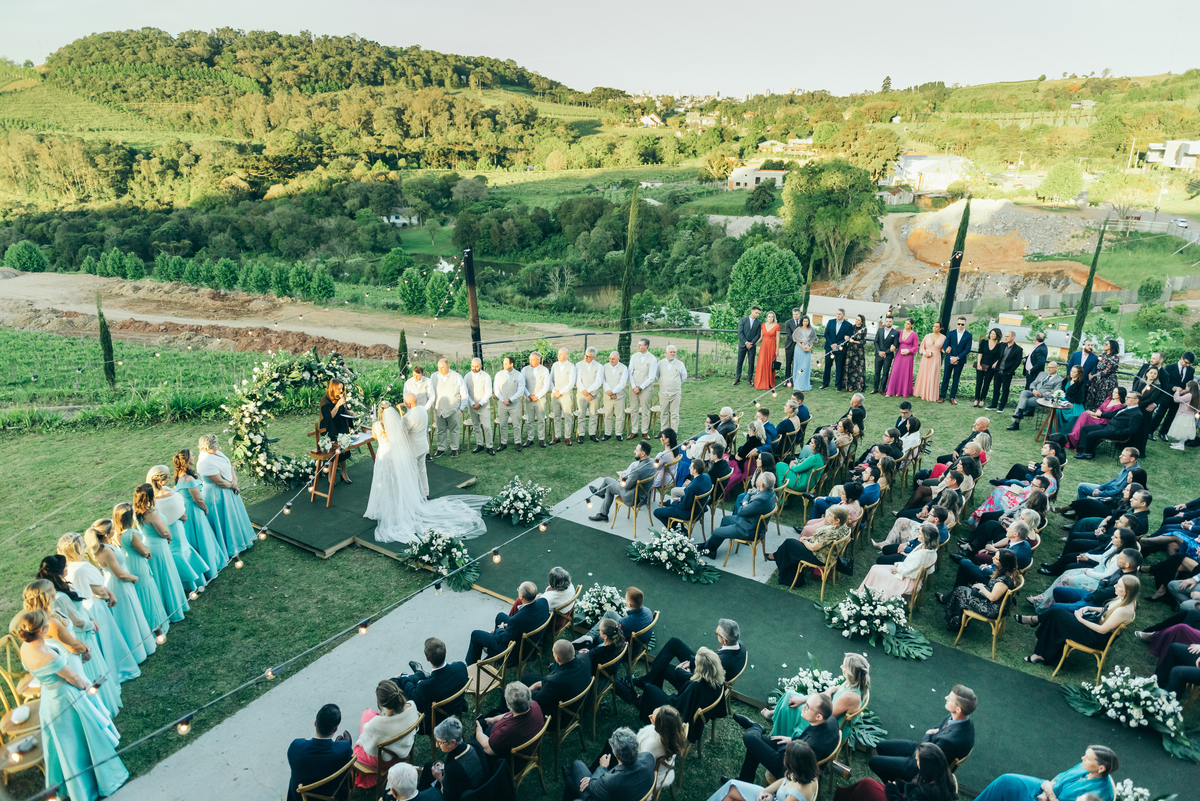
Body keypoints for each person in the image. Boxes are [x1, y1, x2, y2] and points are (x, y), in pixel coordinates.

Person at [11, 609, 129, 801]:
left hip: (49, 700)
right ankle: (98, 781)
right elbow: (74, 678)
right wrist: (88, 686)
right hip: (66, 699)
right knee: (84, 739)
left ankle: (76, 787)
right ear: (41, 630)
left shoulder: (25, 648)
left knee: (66, 746)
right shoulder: (47, 656)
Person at [366, 402, 486, 544]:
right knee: (396, 482)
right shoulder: (397, 424)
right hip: (394, 455)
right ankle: (401, 507)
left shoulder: (376, 426)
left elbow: (375, 437)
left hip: (383, 456)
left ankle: (383, 509)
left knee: (383, 481)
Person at [25, 572, 123, 718]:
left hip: (74, 651)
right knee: (86, 688)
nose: (55, 592)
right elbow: (72, 645)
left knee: (92, 682)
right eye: (52, 590)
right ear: (48, 596)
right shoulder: (50, 622)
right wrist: (86, 649)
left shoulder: (47, 615)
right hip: (71, 659)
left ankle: (103, 712)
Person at [58, 533, 140, 683]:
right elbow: (99, 591)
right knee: (108, 637)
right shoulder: (82, 567)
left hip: (82, 607)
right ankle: (119, 670)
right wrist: (109, 595)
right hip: (94, 606)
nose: (84, 546)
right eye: (82, 544)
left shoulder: (67, 568)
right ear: (76, 550)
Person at [868, 686, 976, 783]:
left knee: (874, 762)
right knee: (881, 746)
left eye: (950, 698)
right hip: (924, 748)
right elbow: (936, 731)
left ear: (958, 709)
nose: (946, 697)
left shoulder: (949, 741)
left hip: (919, 766)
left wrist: (928, 734)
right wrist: (931, 734)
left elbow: (926, 752)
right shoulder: (963, 719)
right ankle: (895, 779)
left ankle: (894, 786)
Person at [1023, 575, 1139, 666]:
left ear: (1127, 591)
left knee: (1057, 613)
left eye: (1118, 586)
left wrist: (1080, 619)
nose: (1114, 586)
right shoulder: (1127, 599)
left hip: (1095, 637)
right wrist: (1089, 607)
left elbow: (1102, 630)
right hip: (1094, 625)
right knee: (1056, 616)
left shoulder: (1123, 610)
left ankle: (1037, 627)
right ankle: (1042, 653)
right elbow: (1107, 609)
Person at [84, 522, 154, 665]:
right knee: (128, 616)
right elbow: (120, 574)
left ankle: (143, 645)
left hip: (118, 583)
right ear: (105, 535)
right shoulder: (107, 551)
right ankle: (137, 651)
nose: (115, 530)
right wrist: (134, 578)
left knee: (132, 613)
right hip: (120, 585)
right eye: (112, 529)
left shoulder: (105, 547)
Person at [733, 692, 839, 784]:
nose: (803, 707)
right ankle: (744, 780)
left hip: (786, 767)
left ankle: (756, 727)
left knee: (749, 739)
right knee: (756, 742)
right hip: (795, 749)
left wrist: (792, 744)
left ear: (818, 716)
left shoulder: (810, 746)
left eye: (807, 706)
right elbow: (807, 735)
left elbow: (797, 762)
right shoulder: (831, 720)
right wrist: (791, 740)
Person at [762, 653, 869, 739]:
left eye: (844, 666)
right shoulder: (853, 683)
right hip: (825, 709)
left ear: (851, 672)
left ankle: (776, 735)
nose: (841, 667)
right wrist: (803, 699)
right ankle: (775, 715)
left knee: (790, 708)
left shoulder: (850, 696)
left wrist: (826, 693)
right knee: (790, 695)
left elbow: (828, 716)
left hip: (825, 725)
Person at [971, 745, 1119, 801]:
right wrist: (1048, 787)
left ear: (1101, 769)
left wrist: (1049, 794)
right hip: (1047, 788)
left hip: (1049, 797)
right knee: (1006, 780)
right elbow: (1062, 775)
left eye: (1087, 758)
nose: (1082, 759)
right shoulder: (1085, 767)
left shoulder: (1099, 796)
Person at [640, 618, 746, 695]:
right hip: (705, 666)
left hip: (698, 683)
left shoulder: (721, 661)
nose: (716, 634)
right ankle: (648, 679)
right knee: (674, 642)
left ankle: (653, 689)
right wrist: (692, 662)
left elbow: (702, 681)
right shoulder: (739, 645)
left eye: (717, 633)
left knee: (663, 667)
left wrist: (685, 671)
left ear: (724, 640)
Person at [132, 482, 189, 626]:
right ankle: (174, 609)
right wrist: (169, 536)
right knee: (166, 575)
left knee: (158, 577)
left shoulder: (136, 512)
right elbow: (163, 532)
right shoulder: (152, 514)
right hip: (159, 547)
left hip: (149, 544)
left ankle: (164, 607)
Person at [147, 464, 209, 595]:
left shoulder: (149, 497)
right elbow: (181, 512)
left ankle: (182, 582)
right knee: (182, 550)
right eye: (167, 477)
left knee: (175, 552)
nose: (169, 479)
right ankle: (192, 582)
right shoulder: (167, 493)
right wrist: (183, 516)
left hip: (164, 528)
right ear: (159, 481)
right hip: (175, 526)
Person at [111, 502, 168, 637]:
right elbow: (143, 551)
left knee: (140, 595)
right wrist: (146, 551)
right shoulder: (131, 534)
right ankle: (156, 627)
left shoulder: (115, 533)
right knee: (147, 593)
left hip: (129, 564)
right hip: (138, 564)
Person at [196, 433, 256, 557]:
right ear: (209, 447)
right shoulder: (205, 461)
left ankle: (241, 540)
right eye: (216, 444)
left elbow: (230, 467)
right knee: (224, 519)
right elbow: (218, 482)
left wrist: (234, 480)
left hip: (228, 489)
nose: (218, 445)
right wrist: (234, 486)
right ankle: (230, 546)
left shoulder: (217, 454)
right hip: (216, 494)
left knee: (234, 516)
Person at [393, 637, 470, 733]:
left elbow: (410, 693)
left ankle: (419, 674)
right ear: (446, 651)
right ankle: (419, 673)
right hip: (456, 707)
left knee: (396, 683)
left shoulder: (425, 687)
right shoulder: (461, 667)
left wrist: (404, 677)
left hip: (434, 722)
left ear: (427, 659)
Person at [172, 449, 227, 583]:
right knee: (203, 536)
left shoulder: (179, 476)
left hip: (186, 509)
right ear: (187, 460)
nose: (194, 456)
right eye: (192, 455)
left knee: (193, 537)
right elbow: (198, 499)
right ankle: (210, 566)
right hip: (194, 511)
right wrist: (205, 509)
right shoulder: (188, 478)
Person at [353, 680, 420, 789]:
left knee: (367, 714)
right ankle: (371, 714)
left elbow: (365, 744)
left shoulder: (376, 725)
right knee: (369, 714)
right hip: (401, 750)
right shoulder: (412, 706)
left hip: (383, 760)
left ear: (381, 704)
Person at [464, 582, 550, 665]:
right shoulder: (544, 602)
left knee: (475, 635)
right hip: (529, 638)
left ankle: (471, 666)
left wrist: (501, 628)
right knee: (500, 616)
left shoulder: (517, 619)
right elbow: (523, 624)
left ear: (522, 596)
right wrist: (509, 626)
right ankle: (493, 647)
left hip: (513, 654)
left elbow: (504, 640)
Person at [706, 740, 820, 801]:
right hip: (771, 798)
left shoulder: (795, 796)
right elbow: (784, 780)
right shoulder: (806, 773)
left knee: (730, 794)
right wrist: (765, 791)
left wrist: (770, 798)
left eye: (785, 755)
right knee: (732, 786)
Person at [563, 727, 655, 801]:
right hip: (634, 792)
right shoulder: (649, 758)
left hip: (601, 795)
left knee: (577, 765)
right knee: (571, 781)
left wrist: (602, 767)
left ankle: (568, 774)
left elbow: (593, 786)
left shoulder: (609, 781)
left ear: (616, 756)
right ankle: (568, 775)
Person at [700, 472, 778, 558]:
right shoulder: (770, 492)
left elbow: (741, 511)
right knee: (725, 519)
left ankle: (709, 549)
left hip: (748, 530)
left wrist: (746, 498)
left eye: (759, 478)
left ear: (762, 484)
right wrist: (749, 499)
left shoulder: (760, 500)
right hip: (750, 522)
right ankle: (710, 547)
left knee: (717, 532)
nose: (758, 478)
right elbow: (754, 496)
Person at [768, 505, 850, 586]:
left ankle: (789, 575)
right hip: (830, 555)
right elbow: (824, 540)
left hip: (818, 557)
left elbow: (813, 547)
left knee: (789, 543)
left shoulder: (830, 532)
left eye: (830, 515)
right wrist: (808, 538)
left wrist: (804, 541)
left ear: (837, 520)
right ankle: (777, 556)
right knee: (790, 546)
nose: (826, 516)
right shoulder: (844, 527)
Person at [941, 549, 1021, 631]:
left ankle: (956, 623)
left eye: (996, 558)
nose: (993, 558)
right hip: (992, 602)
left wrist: (981, 587)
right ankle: (958, 620)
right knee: (962, 591)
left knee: (960, 592)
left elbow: (993, 598)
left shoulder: (1003, 581)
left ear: (1003, 563)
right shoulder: (1006, 571)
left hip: (991, 609)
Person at [287, 703, 352, 801]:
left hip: (300, 798)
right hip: (330, 794)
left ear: (315, 723)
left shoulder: (296, 747)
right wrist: (343, 743)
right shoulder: (344, 749)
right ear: (335, 729)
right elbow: (346, 749)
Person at [860, 524, 939, 599]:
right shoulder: (931, 549)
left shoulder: (922, 554)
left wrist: (896, 569)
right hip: (907, 573)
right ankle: (868, 593)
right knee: (875, 567)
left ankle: (867, 594)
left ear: (926, 537)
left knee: (875, 570)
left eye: (920, 533)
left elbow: (910, 571)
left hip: (908, 581)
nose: (918, 534)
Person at [588, 440, 657, 522]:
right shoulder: (653, 462)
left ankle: (600, 493)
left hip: (633, 498)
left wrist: (621, 480)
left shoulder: (637, 470)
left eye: (636, 450)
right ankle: (603, 514)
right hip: (645, 496)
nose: (634, 451)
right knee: (609, 488)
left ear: (643, 454)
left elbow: (627, 486)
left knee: (607, 480)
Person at [422, 717, 487, 800]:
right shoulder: (475, 745)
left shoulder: (452, 770)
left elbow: (449, 797)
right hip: (481, 787)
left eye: (440, 742)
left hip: (469, 796)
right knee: (428, 766)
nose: (437, 745)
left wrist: (441, 779)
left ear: (452, 742)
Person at [475, 681, 544, 758]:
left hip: (511, 760)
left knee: (474, 743)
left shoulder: (506, 731)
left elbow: (488, 749)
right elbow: (511, 714)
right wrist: (493, 719)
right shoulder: (535, 705)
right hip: (527, 741)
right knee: (494, 714)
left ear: (509, 706)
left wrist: (479, 731)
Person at [1074, 391, 1144, 459]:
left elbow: (1131, 430)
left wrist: (1116, 431)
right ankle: (1082, 450)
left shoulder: (1137, 414)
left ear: (1136, 400)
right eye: (1126, 397)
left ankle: (1088, 454)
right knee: (1085, 428)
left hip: (1115, 431)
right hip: (1108, 426)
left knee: (1091, 434)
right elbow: (1113, 414)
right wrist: (1098, 415)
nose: (1126, 399)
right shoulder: (1126, 407)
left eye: (1129, 397)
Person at [655, 460, 712, 530]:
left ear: (695, 470)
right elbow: (695, 493)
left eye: (691, 467)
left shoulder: (691, 488)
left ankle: (672, 528)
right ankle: (674, 523)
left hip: (689, 513)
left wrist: (674, 502)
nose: (689, 468)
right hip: (699, 508)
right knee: (668, 502)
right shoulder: (707, 476)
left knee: (657, 512)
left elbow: (684, 506)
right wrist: (679, 499)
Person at [1151, 350, 1196, 441]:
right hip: (1167, 395)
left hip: (1180, 397)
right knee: (1160, 413)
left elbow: (1189, 383)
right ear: (1181, 358)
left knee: (1171, 415)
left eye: (1189, 364)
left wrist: (1185, 391)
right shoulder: (1170, 367)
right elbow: (1164, 381)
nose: (1187, 365)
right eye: (1186, 362)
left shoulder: (1191, 370)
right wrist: (1173, 387)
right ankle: (1150, 431)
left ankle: (1163, 432)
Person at [430, 358, 468, 458]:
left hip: (453, 409)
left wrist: (461, 408)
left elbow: (464, 392)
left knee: (454, 429)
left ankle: (454, 449)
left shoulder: (456, 376)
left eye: (442, 367)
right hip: (439, 408)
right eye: (439, 368)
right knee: (440, 430)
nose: (440, 369)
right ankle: (441, 448)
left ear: (448, 366)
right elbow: (430, 392)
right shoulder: (434, 377)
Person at [318, 378, 354, 484]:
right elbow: (328, 417)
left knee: (344, 452)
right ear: (332, 389)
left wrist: (351, 414)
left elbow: (344, 410)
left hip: (342, 426)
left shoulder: (340, 396)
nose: (340, 391)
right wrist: (337, 405)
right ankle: (331, 477)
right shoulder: (325, 401)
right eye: (338, 389)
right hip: (332, 429)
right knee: (333, 454)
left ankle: (344, 474)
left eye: (342, 388)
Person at [1008, 362, 1064, 430]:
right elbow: (1033, 383)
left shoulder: (1059, 380)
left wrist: (1042, 395)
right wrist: (1033, 389)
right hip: (1034, 392)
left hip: (1043, 398)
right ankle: (1019, 413)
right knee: (1024, 392)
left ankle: (1016, 422)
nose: (1049, 369)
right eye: (1048, 367)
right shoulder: (1042, 374)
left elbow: (1055, 392)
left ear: (1056, 368)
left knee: (1023, 402)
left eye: (1051, 368)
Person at [493, 355, 525, 452]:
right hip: (502, 404)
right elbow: (496, 389)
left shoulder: (519, 375)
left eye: (506, 363)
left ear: (512, 364)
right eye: (503, 363)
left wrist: (510, 400)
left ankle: (517, 442)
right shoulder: (498, 375)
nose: (504, 365)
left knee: (516, 424)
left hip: (514, 404)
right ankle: (503, 443)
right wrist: (503, 399)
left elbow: (520, 391)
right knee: (503, 424)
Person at [464, 358, 495, 455]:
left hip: (484, 406)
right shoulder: (467, 376)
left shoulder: (486, 376)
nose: (474, 368)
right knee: (476, 426)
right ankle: (479, 444)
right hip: (472, 405)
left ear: (481, 366)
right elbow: (465, 391)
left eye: (476, 366)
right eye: (473, 366)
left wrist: (480, 403)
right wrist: (472, 403)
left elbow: (489, 392)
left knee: (487, 427)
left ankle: (489, 446)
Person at [988, 330, 1024, 412]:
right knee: (996, 389)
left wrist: (1010, 371)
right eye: (1005, 336)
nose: (1006, 338)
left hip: (1007, 373)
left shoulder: (1018, 349)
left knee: (1005, 390)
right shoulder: (1002, 345)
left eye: (1008, 336)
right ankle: (994, 405)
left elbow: (1017, 362)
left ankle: (1001, 406)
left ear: (1013, 337)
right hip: (998, 371)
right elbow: (998, 356)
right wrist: (995, 364)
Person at [629, 338, 659, 438]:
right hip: (633, 387)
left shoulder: (652, 358)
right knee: (634, 409)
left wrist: (640, 388)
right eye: (638, 345)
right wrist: (634, 386)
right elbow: (630, 372)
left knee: (645, 410)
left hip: (645, 388)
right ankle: (634, 431)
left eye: (641, 345)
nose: (638, 347)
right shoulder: (634, 356)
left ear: (646, 346)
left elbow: (651, 377)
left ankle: (644, 431)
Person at [939, 317, 972, 404]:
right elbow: (946, 345)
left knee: (956, 379)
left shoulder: (969, 335)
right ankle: (942, 396)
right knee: (946, 377)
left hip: (960, 360)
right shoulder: (951, 333)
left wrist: (957, 358)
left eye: (962, 324)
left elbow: (967, 349)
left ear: (965, 324)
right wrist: (950, 357)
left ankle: (952, 397)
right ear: (957, 323)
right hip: (949, 359)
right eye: (959, 324)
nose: (960, 326)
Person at [549, 347, 578, 446]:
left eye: (561, 354)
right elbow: (550, 379)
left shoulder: (571, 367)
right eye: (558, 353)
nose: (559, 355)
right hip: (555, 395)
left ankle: (567, 437)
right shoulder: (554, 365)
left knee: (567, 416)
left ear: (566, 355)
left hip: (565, 395)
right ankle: (557, 436)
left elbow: (571, 383)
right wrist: (554, 391)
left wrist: (560, 391)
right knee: (556, 416)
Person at [522, 351, 551, 448]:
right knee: (529, 420)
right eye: (530, 359)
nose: (530, 361)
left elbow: (546, 386)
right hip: (529, 398)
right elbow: (523, 385)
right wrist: (529, 395)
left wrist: (537, 396)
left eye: (533, 360)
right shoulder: (524, 370)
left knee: (541, 419)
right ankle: (530, 439)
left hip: (540, 399)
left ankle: (541, 439)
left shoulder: (545, 370)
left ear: (538, 361)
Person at [576, 347, 604, 444]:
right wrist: (584, 391)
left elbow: (598, 381)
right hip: (581, 394)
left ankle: (592, 434)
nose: (586, 358)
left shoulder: (599, 366)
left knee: (593, 414)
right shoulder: (578, 365)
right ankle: (581, 434)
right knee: (581, 414)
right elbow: (578, 380)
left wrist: (589, 392)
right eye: (585, 355)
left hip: (594, 394)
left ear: (594, 357)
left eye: (589, 356)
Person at [658, 345, 689, 433]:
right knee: (664, 413)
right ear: (666, 353)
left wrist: (676, 383)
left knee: (674, 414)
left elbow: (684, 376)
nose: (673, 354)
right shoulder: (660, 363)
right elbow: (657, 375)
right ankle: (663, 432)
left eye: (674, 352)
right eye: (671, 352)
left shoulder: (680, 364)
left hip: (675, 392)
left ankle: (674, 432)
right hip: (663, 392)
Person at [821, 309, 854, 391]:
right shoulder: (830, 322)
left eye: (840, 314)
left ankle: (838, 385)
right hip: (829, 347)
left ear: (843, 315)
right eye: (837, 314)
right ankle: (825, 383)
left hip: (840, 350)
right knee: (827, 366)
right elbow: (826, 334)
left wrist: (837, 344)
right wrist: (831, 344)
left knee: (839, 367)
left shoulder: (848, 325)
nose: (838, 315)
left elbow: (847, 337)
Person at [914, 321, 945, 403]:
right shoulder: (927, 336)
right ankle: (922, 392)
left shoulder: (943, 338)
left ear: (940, 328)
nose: (934, 328)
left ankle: (931, 394)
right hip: (926, 358)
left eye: (937, 327)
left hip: (936, 358)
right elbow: (921, 348)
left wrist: (948, 350)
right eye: (934, 326)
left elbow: (943, 349)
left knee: (933, 375)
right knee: (925, 374)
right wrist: (925, 353)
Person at [1085, 340, 1120, 412]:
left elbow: (1107, 371)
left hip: (1107, 382)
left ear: (1112, 346)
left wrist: (1094, 375)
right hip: (1097, 381)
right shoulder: (1102, 355)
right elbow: (1096, 365)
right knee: (1093, 397)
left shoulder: (1115, 358)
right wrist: (1090, 373)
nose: (1104, 345)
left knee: (1103, 400)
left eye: (1106, 344)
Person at [887, 319, 919, 398]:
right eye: (905, 323)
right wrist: (892, 346)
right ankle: (891, 391)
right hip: (899, 355)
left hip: (908, 356)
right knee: (895, 371)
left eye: (908, 324)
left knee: (905, 373)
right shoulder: (900, 332)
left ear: (911, 325)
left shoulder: (914, 334)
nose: (906, 325)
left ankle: (903, 391)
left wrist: (909, 351)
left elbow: (915, 347)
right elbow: (894, 341)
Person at [601, 351, 629, 442]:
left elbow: (622, 383)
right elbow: (603, 380)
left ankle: (619, 434)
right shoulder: (605, 367)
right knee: (608, 415)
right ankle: (607, 433)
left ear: (618, 359)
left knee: (619, 416)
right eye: (610, 358)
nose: (611, 360)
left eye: (613, 359)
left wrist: (613, 391)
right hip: (607, 396)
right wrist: (608, 391)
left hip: (619, 396)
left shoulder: (624, 368)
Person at [974, 327, 1003, 408]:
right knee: (979, 382)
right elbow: (980, 353)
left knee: (986, 383)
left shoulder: (999, 345)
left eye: (994, 334)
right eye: (991, 333)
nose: (992, 335)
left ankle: (982, 399)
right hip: (981, 365)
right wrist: (978, 364)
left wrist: (996, 363)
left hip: (991, 367)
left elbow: (1000, 356)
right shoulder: (984, 342)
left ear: (997, 335)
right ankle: (976, 399)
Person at [1167, 379, 1199, 449]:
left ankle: (1181, 445)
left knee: (1183, 430)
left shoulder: (1189, 395)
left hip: (1185, 415)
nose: (1185, 388)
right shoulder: (1194, 395)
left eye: (1187, 386)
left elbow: (1177, 399)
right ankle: (1180, 443)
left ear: (1190, 388)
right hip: (1187, 415)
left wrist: (1177, 392)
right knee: (1182, 429)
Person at [1056, 365, 1088, 434]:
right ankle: (1056, 430)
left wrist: (1065, 400)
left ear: (1079, 374)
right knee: (1057, 410)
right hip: (1065, 400)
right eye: (1071, 371)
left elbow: (1078, 397)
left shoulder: (1080, 384)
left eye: (1074, 372)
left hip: (1075, 404)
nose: (1071, 373)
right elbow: (1062, 391)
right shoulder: (1066, 380)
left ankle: (1067, 432)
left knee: (1073, 416)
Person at [736, 306, 763, 386]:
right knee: (739, 362)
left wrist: (751, 343)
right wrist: (746, 342)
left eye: (758, 313)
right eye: (756, 313)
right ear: (752, 311)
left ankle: (750, 379)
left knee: (751, 363)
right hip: (742, 345)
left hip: (752, 346)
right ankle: (738, 378)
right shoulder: (743, 320)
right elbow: (740, 332)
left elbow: (758, 335)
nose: (757, 314)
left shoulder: (758, 322)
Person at [872, 315, 899, 395]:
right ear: (885, 321)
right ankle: (875, 388)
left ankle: (882, 389)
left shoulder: (895, 333)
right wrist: (879, 351)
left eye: (890, 321)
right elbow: (876, 341)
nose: (888, 323)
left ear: (892, 322)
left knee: (885, 373)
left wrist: (885, 352)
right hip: (878, 354)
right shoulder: (880, 330)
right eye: (887, 321)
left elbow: (895, 345)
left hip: (888, 356)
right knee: (877, 372)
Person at [756, 311, 782, 389]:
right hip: (764, 346)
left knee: (770, 364)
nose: (770, 318)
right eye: (769, 317)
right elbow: (761, 337)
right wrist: (754, 344)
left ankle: (769, 382)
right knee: (762, 363)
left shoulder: (777, 326)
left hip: (772, 346)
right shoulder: (763, 325)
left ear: (774, 317)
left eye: (772, 317)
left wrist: (777, 350)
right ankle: (761, 381)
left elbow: (777, 339)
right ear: (767, 317)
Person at [842, 314, 868, 394]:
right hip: (850, 350)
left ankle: (859, 386)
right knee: (850, 367)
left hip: (859, 351)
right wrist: (847, 338)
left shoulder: (864, 329)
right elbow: (847, 335)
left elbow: (863, 341)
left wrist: (854, 341)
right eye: (856, 319)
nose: (857, 321)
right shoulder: (852, 327)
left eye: (859, 320)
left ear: (862, 321)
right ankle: (849, 386)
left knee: (858, 367)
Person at [793, 315, 817, 392]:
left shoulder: (811, 329)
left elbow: (813, 340)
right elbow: (796, 340)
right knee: (799, 366)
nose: (806, 322)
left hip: (808, 350)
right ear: (802, 322)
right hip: (799, 349)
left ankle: (805, 384)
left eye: (807, 321)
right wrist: (803, 348)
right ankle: (798, 384)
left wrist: (810, 347)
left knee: (805, 366)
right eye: (804, 321)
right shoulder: (798, 330)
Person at [784, 308, 804, 381]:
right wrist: (798, 340)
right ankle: (787, 379)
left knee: (797, 363)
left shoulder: (804, 322)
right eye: (793, 314)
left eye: (796, 314)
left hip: (800, 346)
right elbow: (789, 335)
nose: (795, 316)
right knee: (788, 363)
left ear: (800, 314)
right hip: (789, 345)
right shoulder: (788, 322)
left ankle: (796, 379)